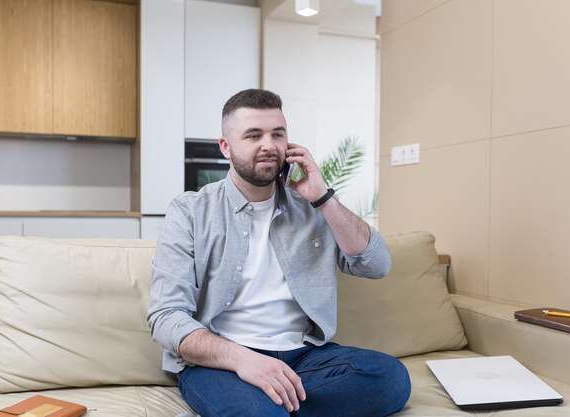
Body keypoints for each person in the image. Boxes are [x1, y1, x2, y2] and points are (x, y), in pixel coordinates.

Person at [147, 89, 411, 417]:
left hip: (304, 357)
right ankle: (271, 403)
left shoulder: (313, 207)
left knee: (389, 377)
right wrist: (244, 361)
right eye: (253, 135)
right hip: (223, 361)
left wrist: (323, 197)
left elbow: (377, 265)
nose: (269, 145)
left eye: (278, 134)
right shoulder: (189, 211)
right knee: (260, 413)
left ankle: (277, 400)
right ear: (226, 147)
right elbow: (166, 317)